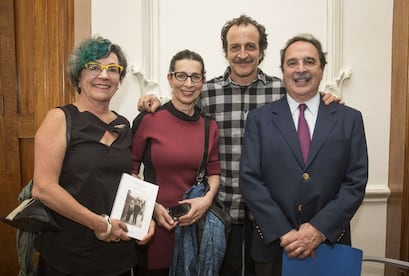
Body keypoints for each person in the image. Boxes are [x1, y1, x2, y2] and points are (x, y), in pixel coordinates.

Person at [137, 15, 341, 276]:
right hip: (219, 213)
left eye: (250, 46)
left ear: (262, 51)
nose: (242, 54)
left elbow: (309, 104)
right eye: (235, 47)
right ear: (226, 52)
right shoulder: (207, 92)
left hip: (274, 218)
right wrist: (151, 100)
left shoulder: (283, 91)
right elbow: (178, 110)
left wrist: (326, 98)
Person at [239, 33, 368, 276]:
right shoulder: (259, 120)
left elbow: (355, 182)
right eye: (292, 63)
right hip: (274, 247)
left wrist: (318, 229)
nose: (301, 69)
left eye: (309, 61)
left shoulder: (349, 119)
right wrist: (284, 232)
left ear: (322, 68)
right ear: (282, 70)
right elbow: (250, 180)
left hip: (330, 244)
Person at [31, 36, 155, 276]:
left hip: (117, 256)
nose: (104, 75)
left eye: (112, 69)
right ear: (79, 75)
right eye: (94, 67)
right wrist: (101, 224)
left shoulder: (123, 124)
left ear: (119, 80)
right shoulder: (60, 119)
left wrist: (144, 217)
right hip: (69, 256)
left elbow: (126, 180)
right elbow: (43, 188)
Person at [131, 49, 221, 275]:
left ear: (203, 81)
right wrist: (151, 208)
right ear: (169, 78)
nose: (188, 84)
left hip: (192, 228)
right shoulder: (148, 120)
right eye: (181, 76)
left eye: (195, 77)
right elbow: (129, 172)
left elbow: (214, 171)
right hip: (152, 227)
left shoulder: (209, 126)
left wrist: (206, 201)